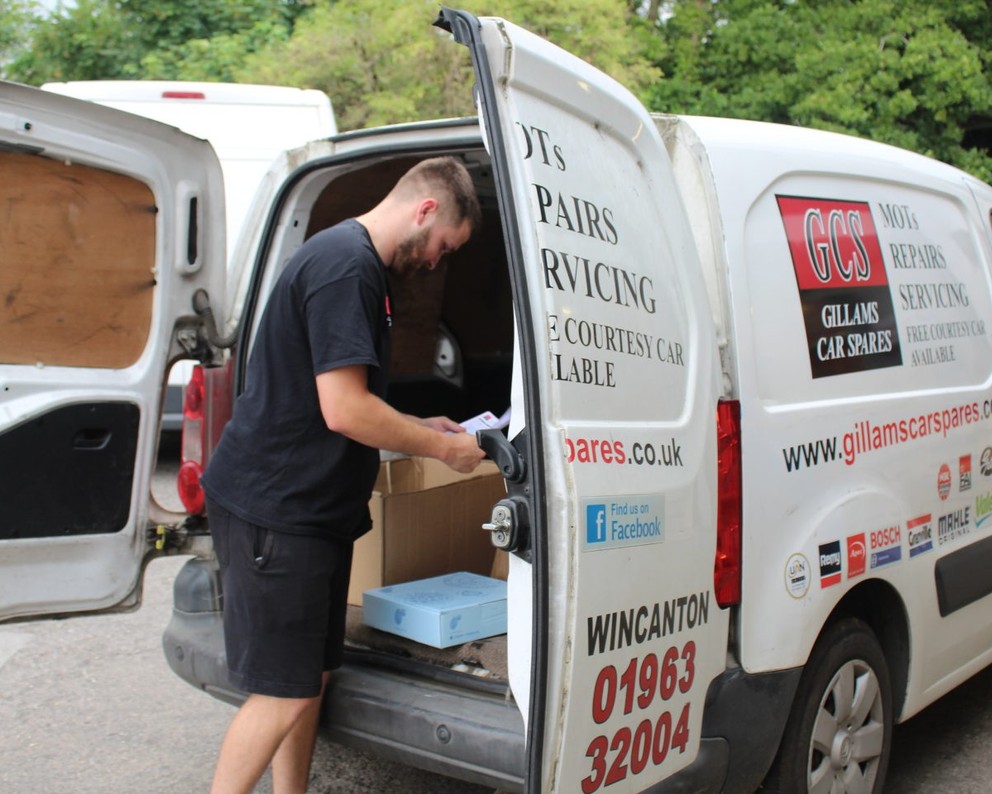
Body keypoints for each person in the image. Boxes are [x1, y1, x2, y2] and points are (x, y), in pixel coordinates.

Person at [200, 156, 486, 794]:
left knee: (307, 680)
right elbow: (344, 410)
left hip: (310, 515)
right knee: (279, 692)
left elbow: (338, 391)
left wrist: (421, 423)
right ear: (426, 210)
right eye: (445, 246)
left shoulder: (359, 267)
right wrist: (443, 453)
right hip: (276, 513)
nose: (437, 261)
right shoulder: (345, 267)